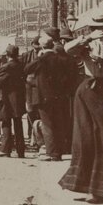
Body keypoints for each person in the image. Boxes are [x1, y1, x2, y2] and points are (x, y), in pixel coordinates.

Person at [58, 10, 103, 204]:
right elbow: (67, 50)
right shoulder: (86, 46)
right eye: (99, 28)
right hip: (88, 93)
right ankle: (91, 190)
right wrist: (87, 38)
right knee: (87, 139)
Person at [25, 29, 69, 161]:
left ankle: (52, 153)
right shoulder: (59, 58)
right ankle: (60, 151)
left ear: (43, 46)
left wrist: (39, 55)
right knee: (58, 123)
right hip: (58, 95)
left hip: (43, 96)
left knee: (47, 124)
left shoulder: (41, 59)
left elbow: (27, 69)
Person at [0, 45, 26, 158]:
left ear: (7, 55)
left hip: (6, 98)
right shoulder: (21, 65)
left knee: (6, 122)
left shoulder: (5, 67)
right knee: (18, 123)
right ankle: (21, 151)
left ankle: (5, 149)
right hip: (19, 98)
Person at [22, 37, 42, 152]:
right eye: (36, 45)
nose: (38, 47)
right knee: (30, 111)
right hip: (29, 87)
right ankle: (31, 136)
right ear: (32, 45)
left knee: (39, 113)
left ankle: (38, 138)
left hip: (40, 87)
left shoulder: (44, 54)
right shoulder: (26, 56)